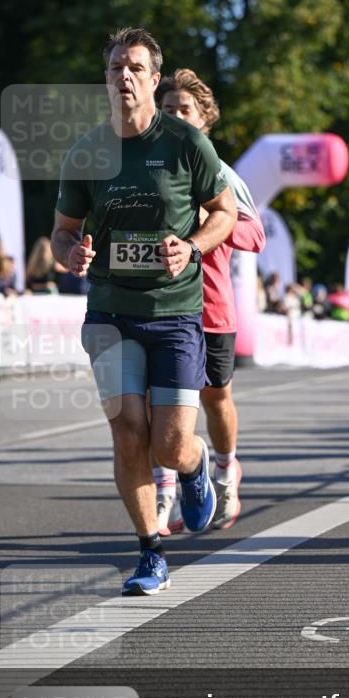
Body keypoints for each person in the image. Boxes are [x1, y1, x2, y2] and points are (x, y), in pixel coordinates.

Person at [51, 27, 237, 595]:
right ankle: (151, 552)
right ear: (106, 79)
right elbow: (62, 232)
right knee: (128, 433)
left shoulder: (185, 142)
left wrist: (193, 246)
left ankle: (195, 465)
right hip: (110, 312)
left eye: (134, 68)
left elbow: (224, 212)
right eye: (115, 68)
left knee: (168, 445)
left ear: (154, 80)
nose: (124, 77)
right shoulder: (86, 152)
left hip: (174, 314)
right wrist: (70, 253)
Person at [153, 68, 265, 534]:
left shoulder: (219, 172)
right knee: (154, 404)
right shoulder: (142, 165)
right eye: (168, 110)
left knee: (215, 398)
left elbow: (255, 235)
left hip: (211, 307)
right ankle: (163, 492)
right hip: (157, 306)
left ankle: (224, 470)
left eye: (185, 110)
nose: (176, 117)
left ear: (204, 118)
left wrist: (209, 217)